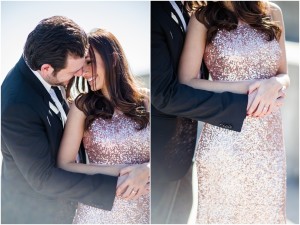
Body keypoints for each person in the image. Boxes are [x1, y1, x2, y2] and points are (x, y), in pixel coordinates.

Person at [151, 1, 285, 224]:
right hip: (224, 143)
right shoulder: (203, 17)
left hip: (270, 144)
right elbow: (187, 82)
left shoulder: (273, 11)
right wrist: (252, 87)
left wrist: (275, 84)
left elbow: (284, 75)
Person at [1, 16, 120, 224]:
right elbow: (43, 178)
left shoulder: (48, 68)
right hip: (36, 216)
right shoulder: (17, 106)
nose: (81, 74)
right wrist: (116, 185)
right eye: (74, 72)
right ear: (46, 69)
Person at [57, 29, 150, 224]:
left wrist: (147, 169)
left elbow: (166, 152)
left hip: (146, 209)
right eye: (82, 66)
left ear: (113, 59)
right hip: (98, 213)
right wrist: (124, 169)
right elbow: (65, 164)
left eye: (89, 63)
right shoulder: (82, 107)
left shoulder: (147, 101)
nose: (83, 73)